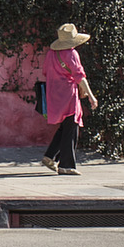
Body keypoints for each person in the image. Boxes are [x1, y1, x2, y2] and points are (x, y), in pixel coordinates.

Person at [41, 23, 97, 176]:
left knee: (66, 126)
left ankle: (49, 156)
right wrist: (91, 96)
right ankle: (66, 165)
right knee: (71, 127)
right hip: (68, 94)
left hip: (53, 93)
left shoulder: (51, 54)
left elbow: (45, 71)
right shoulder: (72, 54)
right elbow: (79, 76)